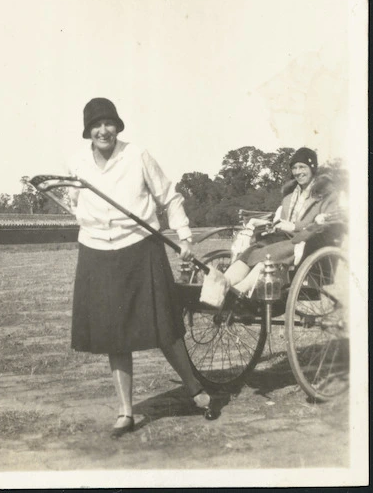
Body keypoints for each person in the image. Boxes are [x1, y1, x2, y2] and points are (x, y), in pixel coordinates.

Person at [46, 97, 212, 438]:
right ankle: (126, 412)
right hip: (96, 252)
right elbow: (77, 204)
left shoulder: (137, 155)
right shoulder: (77, 163)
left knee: (164, 326)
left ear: (117, 126)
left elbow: (169, 196)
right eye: (96, 125)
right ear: (87, 131)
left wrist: (184, 237)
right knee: (113, 335)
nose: (102, 130)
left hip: (141, 248)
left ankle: (195, 389)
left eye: (108, 123)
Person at [206, 147, 339, 303]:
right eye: (294, 168)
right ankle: (222, 284)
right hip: (284, 239)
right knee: (251, 251)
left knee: (269, 255)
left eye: (302, 167)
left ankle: (240, 290)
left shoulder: (327, 195)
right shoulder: (289, 197)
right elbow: (282, 225)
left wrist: (294, 227)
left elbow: (327, 223)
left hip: (308, 241)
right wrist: (275, 225)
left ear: (312, 168)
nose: (298, 172)